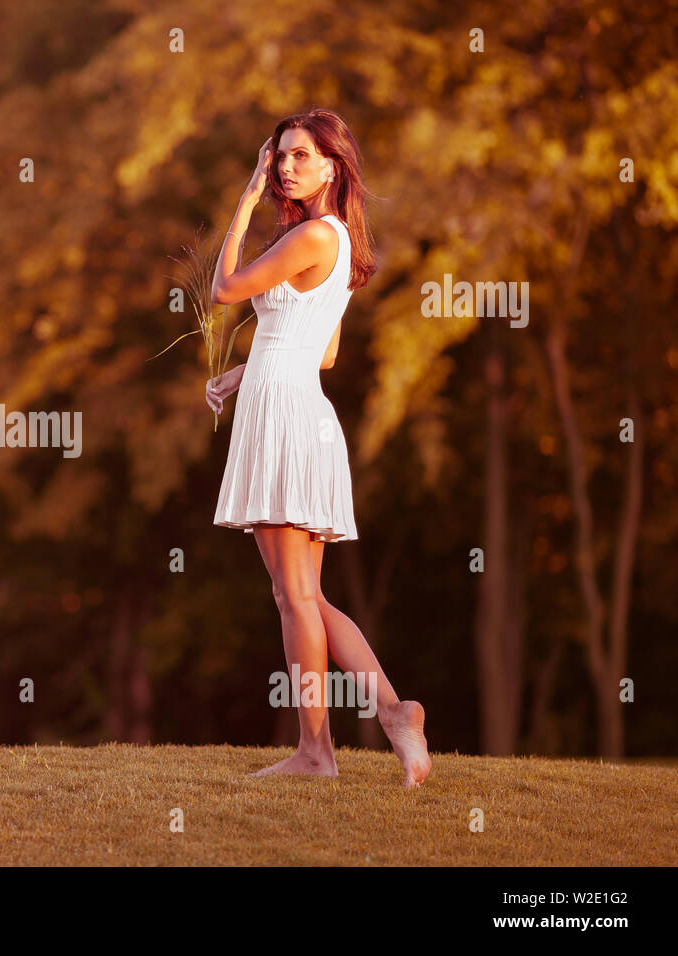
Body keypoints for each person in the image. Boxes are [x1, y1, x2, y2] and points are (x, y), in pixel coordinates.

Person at [206, 109, 430, 788]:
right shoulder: (336, 240)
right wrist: (249, 367)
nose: (284, 167)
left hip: (283, 417)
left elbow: (222, 291)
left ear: (333, 165)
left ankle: (319, 752)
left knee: (295, 597)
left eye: (301, 155)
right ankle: (393, 714)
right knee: (300, 594)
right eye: (279, 157)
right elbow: (324, 352)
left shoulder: (311, 238)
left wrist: (243, 205)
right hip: (294, 402)